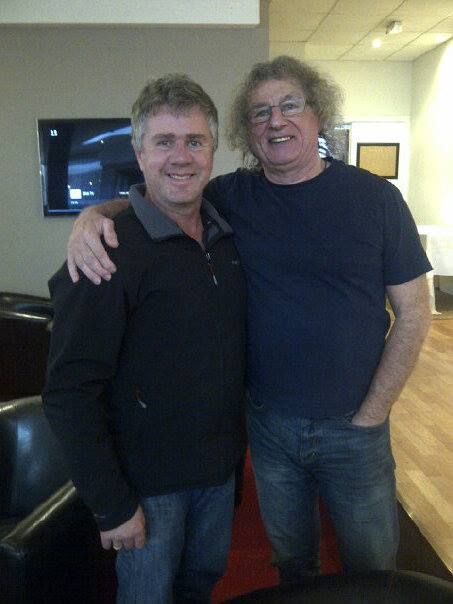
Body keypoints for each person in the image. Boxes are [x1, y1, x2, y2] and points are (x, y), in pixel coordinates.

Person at [65, 56, 432, 584]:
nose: (275, 121)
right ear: (247, 129)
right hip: (269, 429)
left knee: (372, 572)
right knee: (294, 567)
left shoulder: (376, 199)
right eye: (260, 112)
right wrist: (92, 216)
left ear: (318, 114)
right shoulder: (231, 196)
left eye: (290, 105)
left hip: (356, 429)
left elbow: (416, 311)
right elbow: (166, 195)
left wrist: (373, 414)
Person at [42, 74, 247, 604]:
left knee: (199, 587)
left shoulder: (227, 235)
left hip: (218, 474)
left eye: (194, 141)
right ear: (139, 153)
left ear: (212, 149)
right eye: (164, 142)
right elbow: (68, 392)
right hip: (146, 490)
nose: (181, 157)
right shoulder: (104, 254)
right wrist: (111, 504)